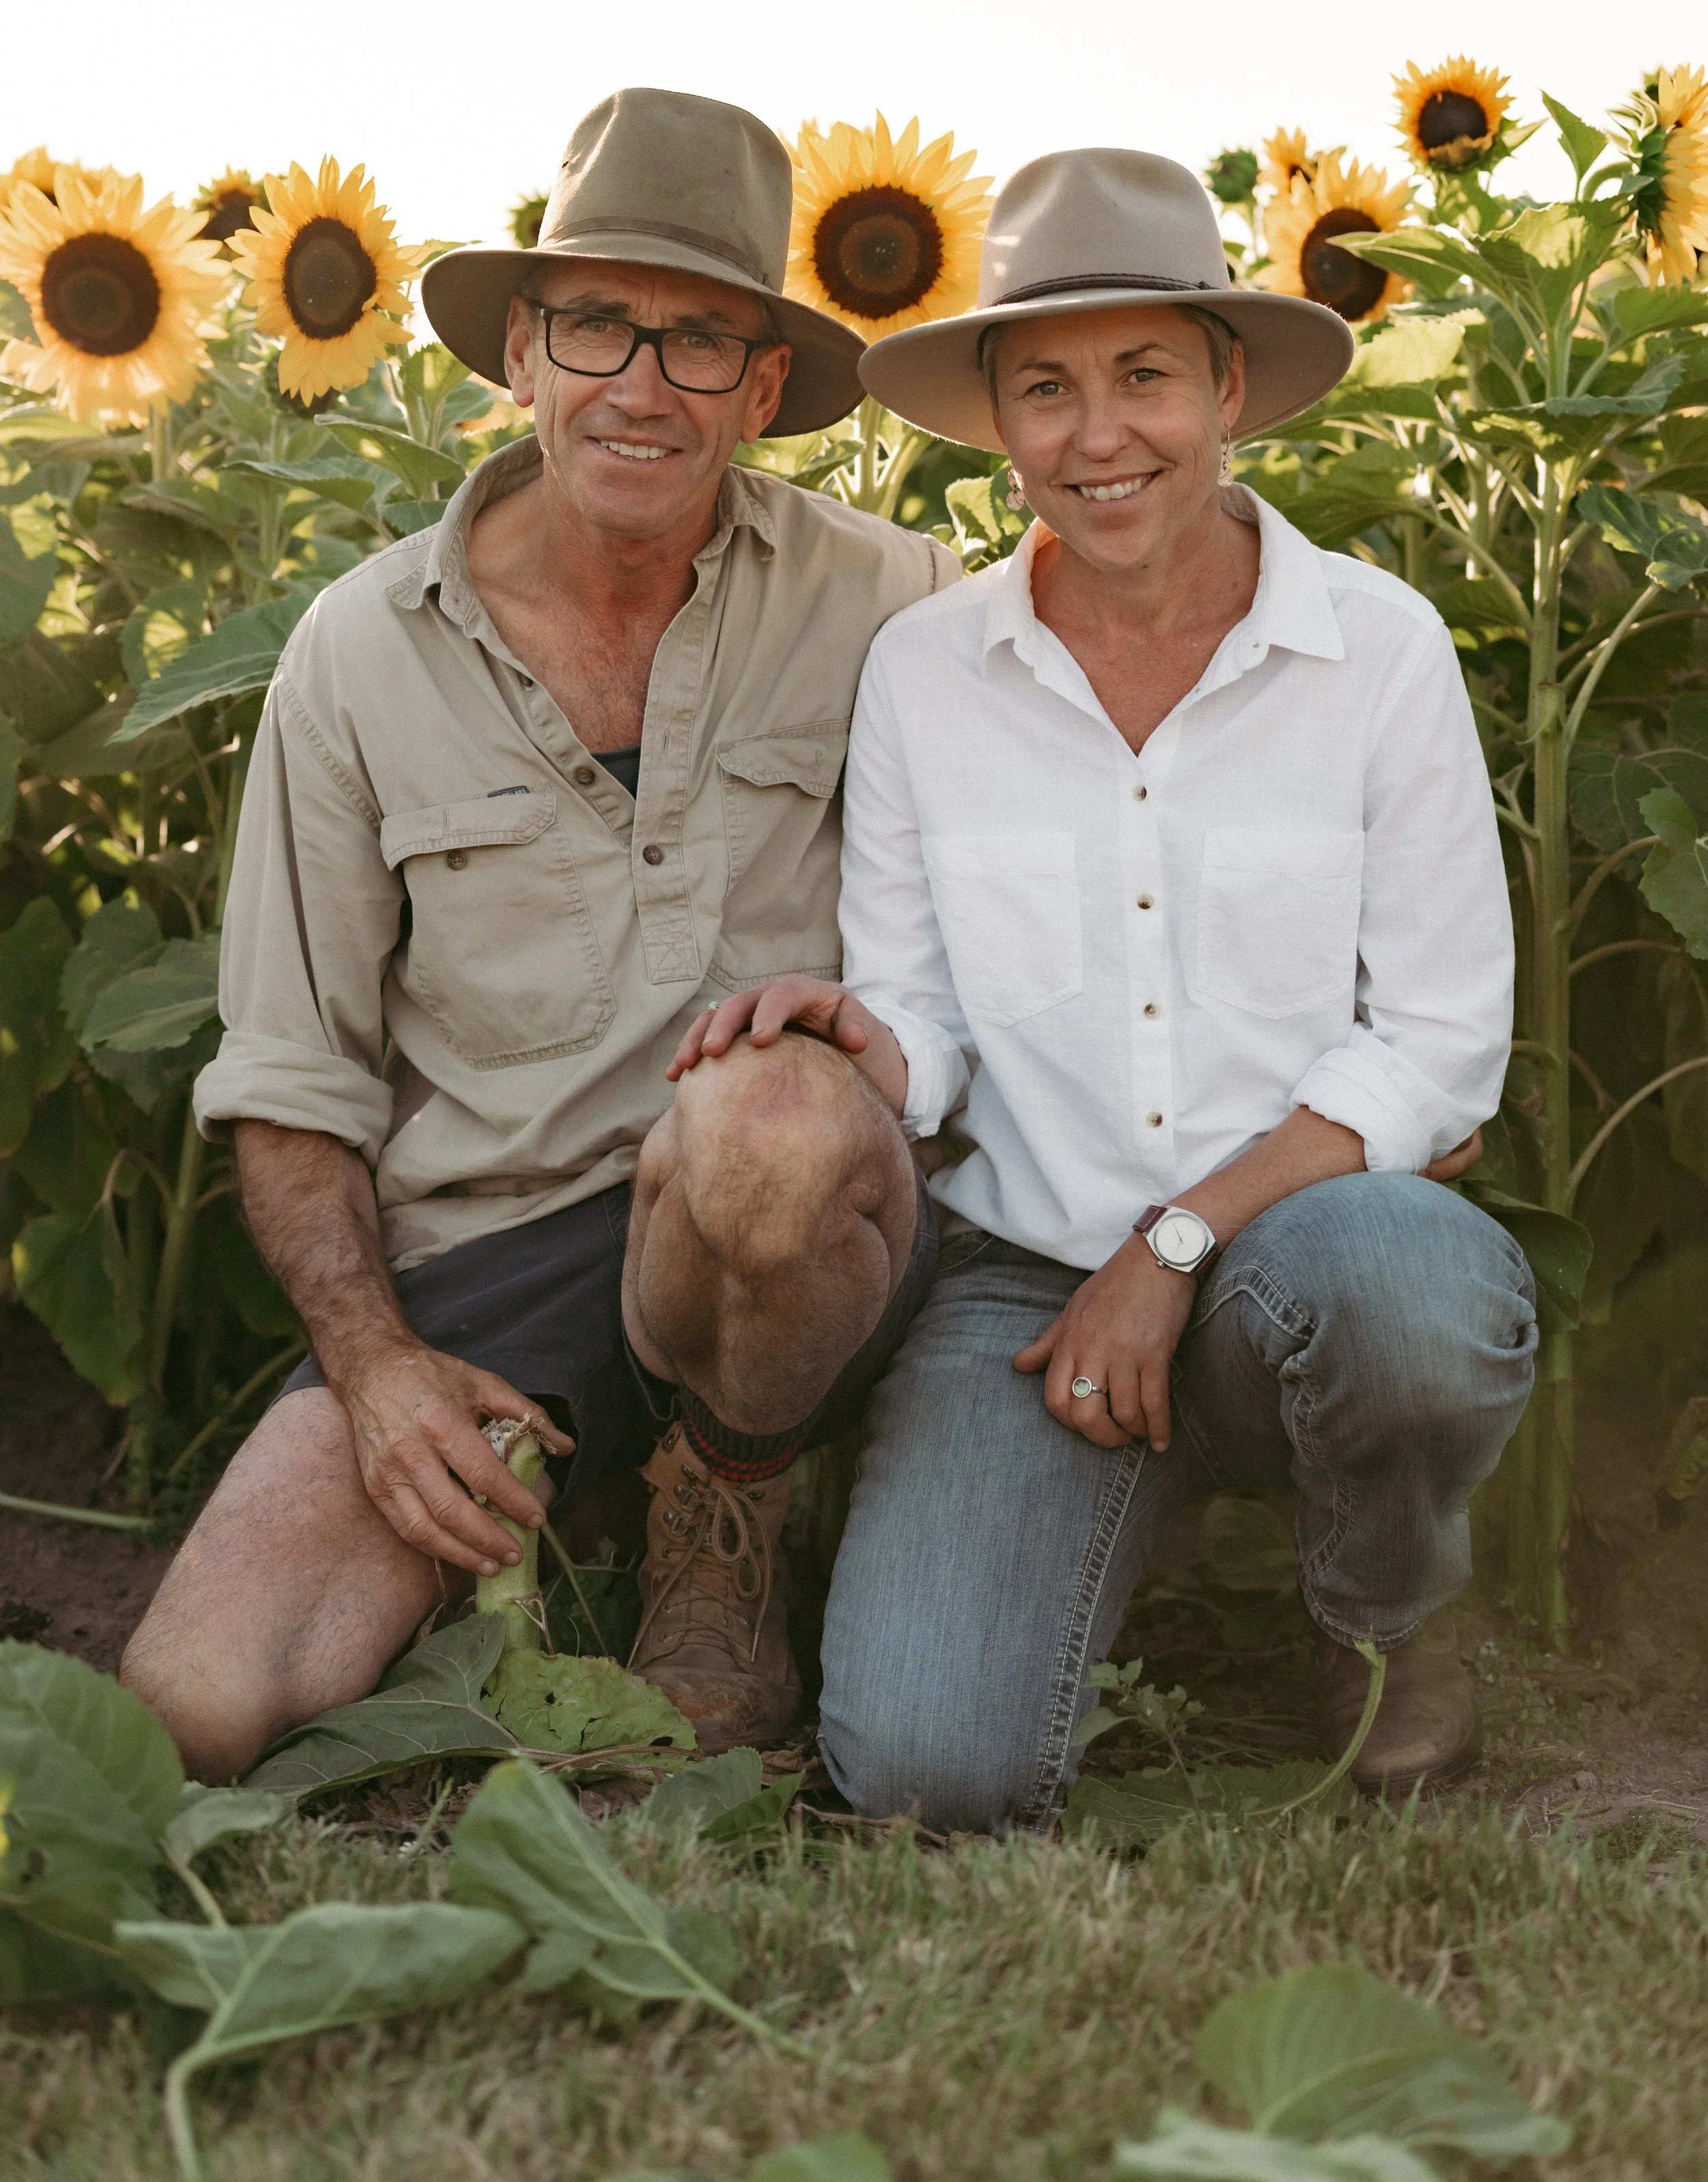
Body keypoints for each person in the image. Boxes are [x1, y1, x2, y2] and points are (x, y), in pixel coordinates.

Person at [670, 146, 1536, 1833]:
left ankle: (1380, 1616)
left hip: (1305, 1247)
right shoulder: (928, 671)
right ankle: (1095, 1541)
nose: (1098, 435)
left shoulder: (1379, 650)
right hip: (1028, 1295)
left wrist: (1179, 1239)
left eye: (1143, 375)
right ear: (997, 417)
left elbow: (1438, 1046)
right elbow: (923, 1020)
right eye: (1046, 388)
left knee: (1414, 1295)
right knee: (926, 1772)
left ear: (1228, 386)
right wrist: (861, 1046)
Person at [120, 89, 959, 1782]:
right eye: (595, 326)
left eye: (703, 341)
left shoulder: (901, 602)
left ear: (768, 384)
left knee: (770, 1119)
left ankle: (730, 1520)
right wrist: (375, 1371)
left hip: (794, 1222)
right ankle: (562, 1501)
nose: (641, 384)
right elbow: (292, 1082)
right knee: (204, 1697)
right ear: (522, 348)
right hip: (490, 1269)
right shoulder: (359, 656)